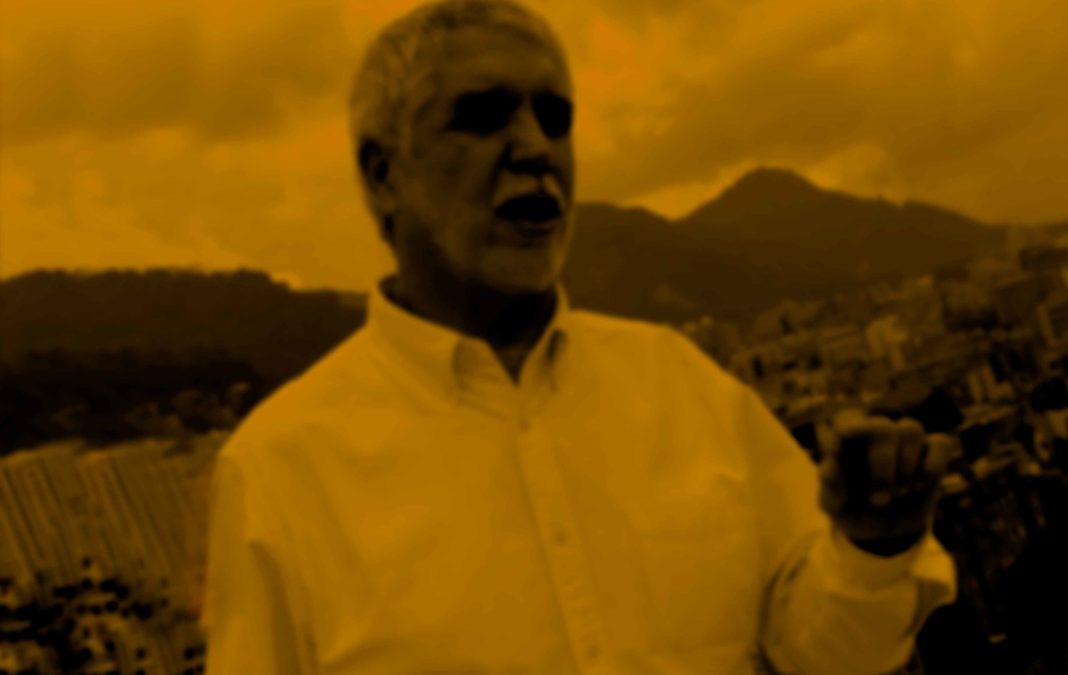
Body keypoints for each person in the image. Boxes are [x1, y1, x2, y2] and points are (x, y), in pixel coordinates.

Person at [200, 1, 957, 673]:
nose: (535, 147)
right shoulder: (280, 473)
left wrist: (873, 552)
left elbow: (823, 654)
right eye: (482, 115)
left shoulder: (680, 384)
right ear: (382, 174)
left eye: (555, 118)